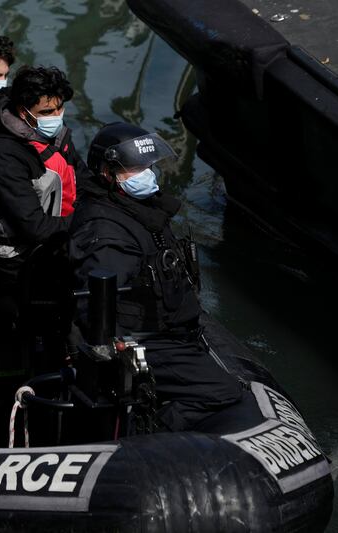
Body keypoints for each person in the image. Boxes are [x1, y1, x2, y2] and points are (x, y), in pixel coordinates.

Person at [69, 122, 243, 431]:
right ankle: (149, 430)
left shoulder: (141, 209)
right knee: (222, 392)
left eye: (148, 166)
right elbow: (97, 304)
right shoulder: (105, 227)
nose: (147, 174)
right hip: (147, 338)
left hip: (173, 329)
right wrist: (122, 354)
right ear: (107, 174)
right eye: (135, 169)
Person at [0, 65, 87, 371]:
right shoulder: (3, 154)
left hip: (58, 248)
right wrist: (86, 225)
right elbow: (33, 225)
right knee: (30, 349)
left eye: (60, 107)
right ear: (24, 112)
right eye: (48, 110)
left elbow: (81, 176)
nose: (56, 115)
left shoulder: (55, 136)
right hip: (18, 264)